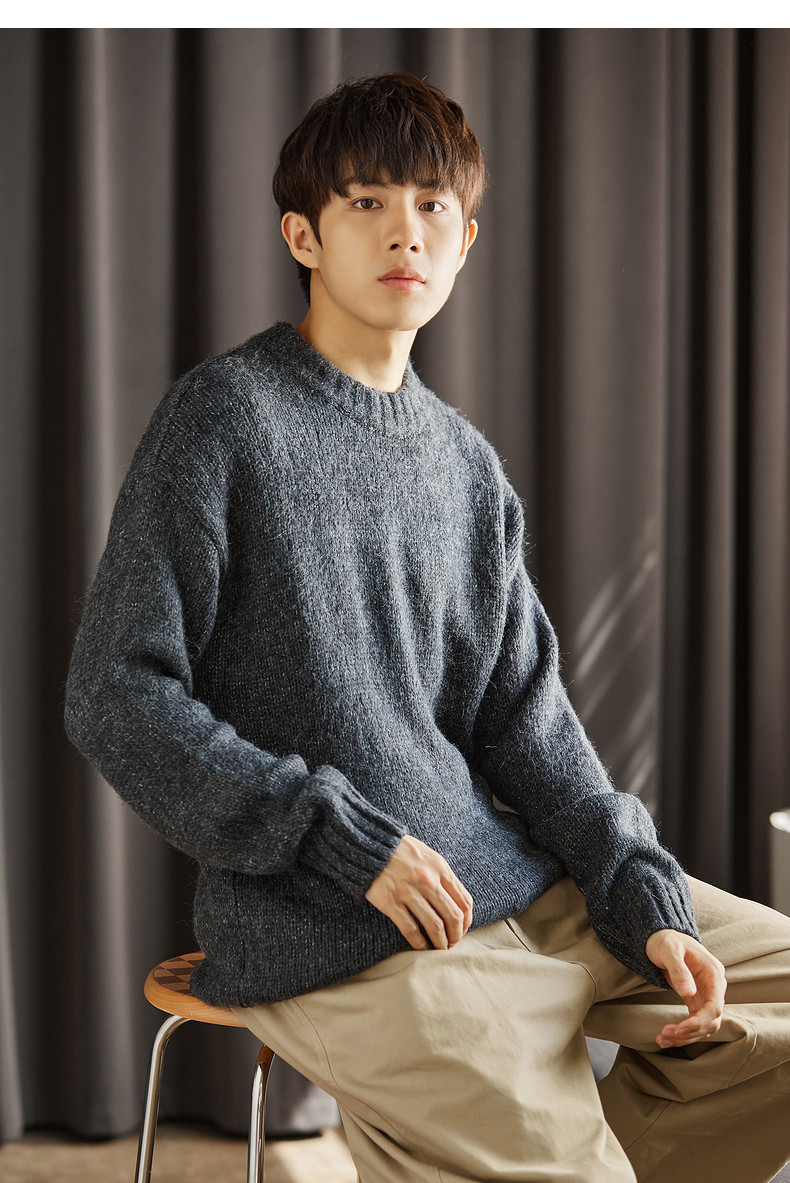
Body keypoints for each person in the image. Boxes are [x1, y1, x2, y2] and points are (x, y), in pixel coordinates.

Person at [64, 72, 790, 1183]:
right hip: (336, 923)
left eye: (432, 205)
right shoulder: (223, 418)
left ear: (465, 241)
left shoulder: (464, 466)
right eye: (366, 201)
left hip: (523, 891)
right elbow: (114, 692)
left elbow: (526, 722)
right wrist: (333, 836)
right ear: (303, 235)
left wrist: (635, 888)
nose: (406, 230)